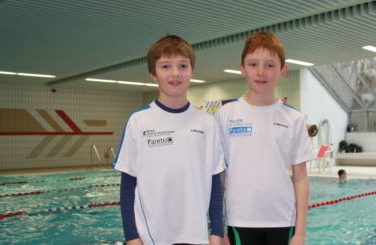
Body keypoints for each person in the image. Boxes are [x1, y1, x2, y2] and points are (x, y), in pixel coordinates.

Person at [114, 35, 225, 245]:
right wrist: (131, 237)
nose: (175, 73)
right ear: (153, 74)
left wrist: (216, 232)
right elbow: (128, 186)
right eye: (166, 66)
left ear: (192, 71)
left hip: (196, 235)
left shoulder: (206, 123)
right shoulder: (139, 122)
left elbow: (215, 183)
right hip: (152, 237)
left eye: (183, 66)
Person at [215, 32, 313, 245]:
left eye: (270, 65)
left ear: (283, 70)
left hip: (282, 219)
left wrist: (301, 233)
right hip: (239, 219)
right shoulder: (225, 115)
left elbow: (301, 177)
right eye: (253, 64)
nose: (261, 72)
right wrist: (217, 229)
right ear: (242, 69)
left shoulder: (294, 119)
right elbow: (218, 176)